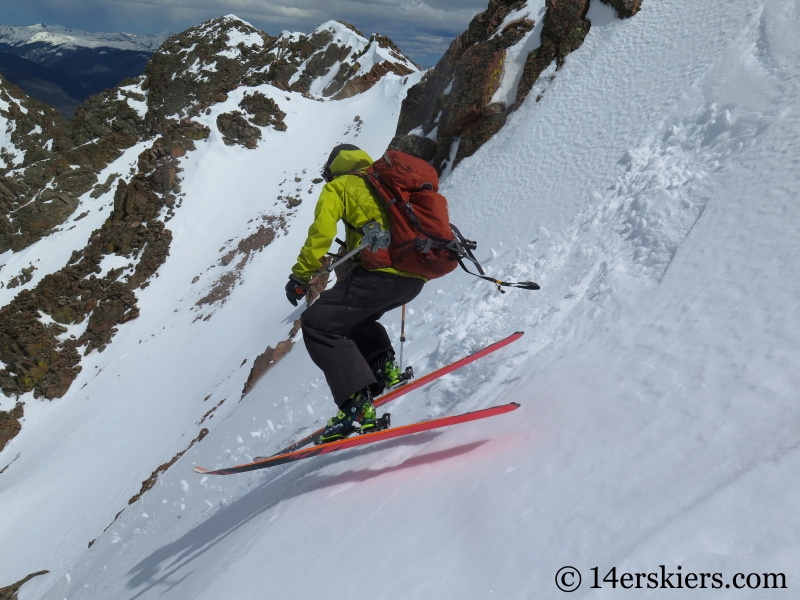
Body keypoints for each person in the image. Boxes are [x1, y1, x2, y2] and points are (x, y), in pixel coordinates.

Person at [285, 144, 425, 443]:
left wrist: (301, 274)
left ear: (333, 169)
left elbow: (320, 234)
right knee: (351, 319)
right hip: (415, 274)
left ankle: (356, 407)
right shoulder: (385, 181)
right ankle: (384, 369)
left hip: (381, 276)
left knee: (317, 323)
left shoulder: (340, 186)